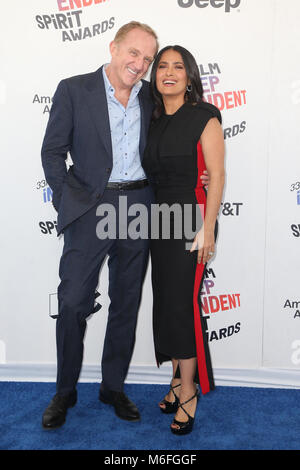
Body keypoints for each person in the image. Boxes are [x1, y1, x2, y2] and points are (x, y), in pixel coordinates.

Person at [41, 21, 210, 429]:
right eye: (134, 53)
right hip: (90, 208)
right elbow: (52, 152)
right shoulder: (73, 89)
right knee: (72, 302)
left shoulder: (153, 95)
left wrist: (198, 173)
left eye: (148, 59)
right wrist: (69, 202)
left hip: (139, 203)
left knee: (127, 301)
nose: (141, 64)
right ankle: (64, 390)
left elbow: (181, 134)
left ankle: (112, 386)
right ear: (114, 48)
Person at [142, 45, 225, 435]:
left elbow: (217, 175)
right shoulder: (153, 118)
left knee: (182, 307)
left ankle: (189, 390)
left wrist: (207, 228)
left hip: (193, 221)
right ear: (155, 75)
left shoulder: (204, 117)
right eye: (162, 66)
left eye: (178, 66)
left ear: (190, 76)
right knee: (167, 304)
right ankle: (176, 381)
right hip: (160, 219)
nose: (169, 72)